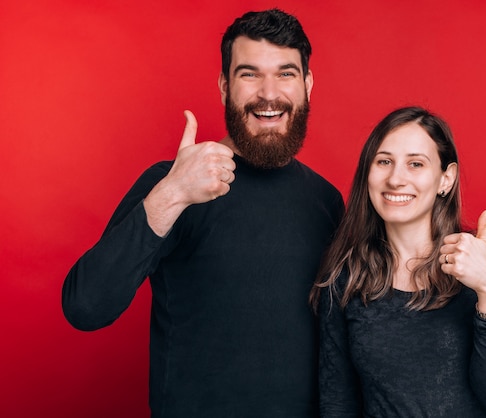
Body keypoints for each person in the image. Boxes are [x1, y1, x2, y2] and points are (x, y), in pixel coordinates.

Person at [62, 9, 344, 418]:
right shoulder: (174, 183)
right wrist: (172, 194)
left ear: (307, 84)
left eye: (285, 73)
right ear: (225, 86)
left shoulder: (327, 200)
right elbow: (86, 307)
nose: (270, 93)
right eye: (249, 74)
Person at [310, 106, 486, 417]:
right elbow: (337, 400)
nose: (396, 179)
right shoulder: (346, 274)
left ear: (445, 179)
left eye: (415, 164)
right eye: (384, 161)